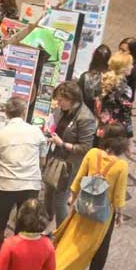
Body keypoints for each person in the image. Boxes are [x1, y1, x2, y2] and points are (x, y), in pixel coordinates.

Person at [43, 129, 129, 270]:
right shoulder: (121, 166)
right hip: (103, 214)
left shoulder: (92, 153)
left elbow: (79, 178)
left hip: (82, 208)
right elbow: (119, 196)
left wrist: (72, 198)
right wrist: (120, 214)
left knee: (72, 243)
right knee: (100, 250)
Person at [0, 96, 46, 266]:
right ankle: (17, 260)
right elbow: (42, 161)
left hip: (6, 185)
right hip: (30, 184)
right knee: (25, 224)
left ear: (6, 113)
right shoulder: (36, 132)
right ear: (24, 112)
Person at [44, 81, 97, 226]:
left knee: (60, 199)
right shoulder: (62, 109)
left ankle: (61, 232)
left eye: (61, 100)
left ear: (71, 99)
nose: (57, 102)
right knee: (48, 190)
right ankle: (46, 221)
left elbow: (86, 148)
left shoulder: (86, 118)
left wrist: (63, 144)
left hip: (69, 164)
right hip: (55, 157)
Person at [95, 52, 134, 138]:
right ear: (123, 69)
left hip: (101, 126)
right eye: (130, 65)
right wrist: (129, 133)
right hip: (115, 132)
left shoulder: (104, 81)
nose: (132, 67)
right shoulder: (125, 90)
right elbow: (126, 114)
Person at [77, 44, 111, 117]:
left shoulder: (85, 76)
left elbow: (78, 97)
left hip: (86, 113)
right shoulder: (111, 77)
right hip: (104, 115)